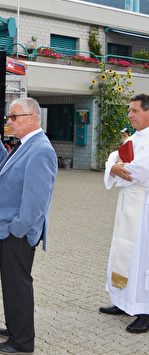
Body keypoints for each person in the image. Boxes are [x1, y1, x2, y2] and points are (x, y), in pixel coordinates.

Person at [0, 97, 58, 354]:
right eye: (8, 117)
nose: (8, 122)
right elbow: (9, 170)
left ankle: (22, 341)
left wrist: (16, 229)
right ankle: (15, 326)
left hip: (18, 232)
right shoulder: (26, 144)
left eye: (14, 117)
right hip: (11, 228)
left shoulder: (41, 150)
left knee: (18, 285)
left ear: (33, 118)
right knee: (12, 283)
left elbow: (36, 203)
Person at [100, 93, 149, 333]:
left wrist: (117, 168)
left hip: (144, 207)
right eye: (129, 111)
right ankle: (122, 301)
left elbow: (138, 172)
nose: (129, 115)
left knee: (141, 258)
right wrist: (114, 166)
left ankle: (144, 309)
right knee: (122, 251)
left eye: (135, 111)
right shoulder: (134, 138)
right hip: (128, 202)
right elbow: (113, 158)